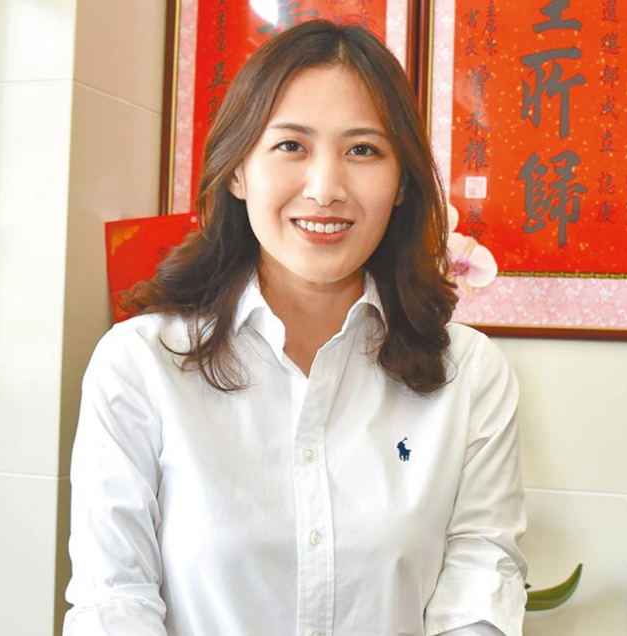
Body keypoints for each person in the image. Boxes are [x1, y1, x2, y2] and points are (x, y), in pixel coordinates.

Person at [63, 19, 527, 636]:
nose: (325, 189)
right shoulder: (141, 363)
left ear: (401, 185)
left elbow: (478, 590)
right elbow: (113, 602)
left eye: (363, 150)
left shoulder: (468, 373)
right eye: (290, 146)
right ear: (237, 170)